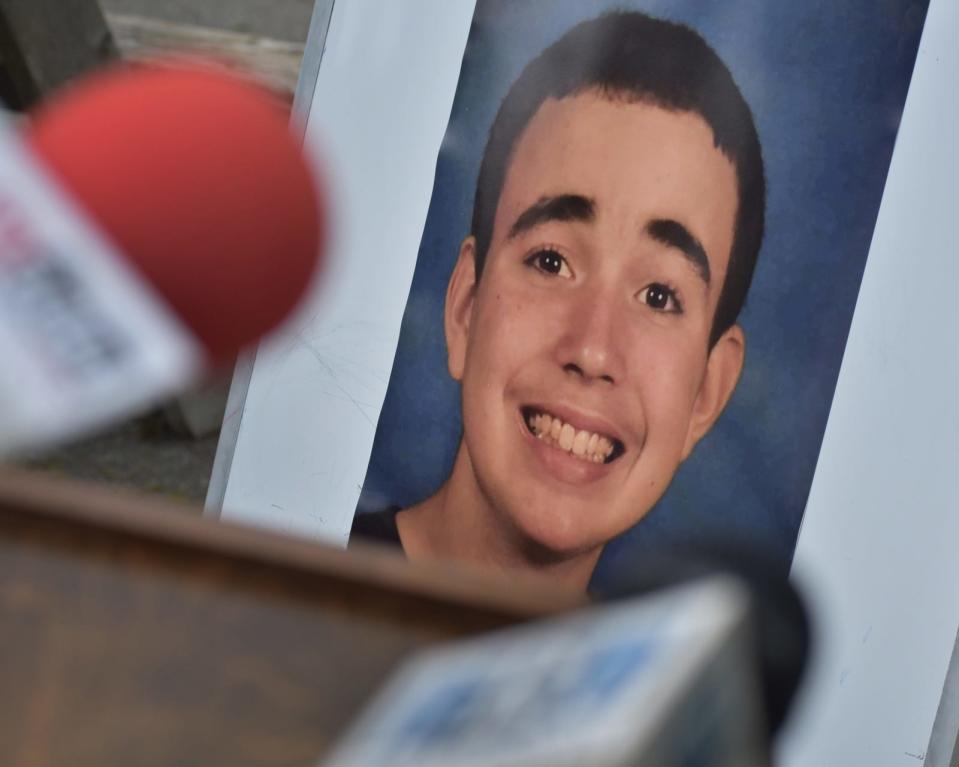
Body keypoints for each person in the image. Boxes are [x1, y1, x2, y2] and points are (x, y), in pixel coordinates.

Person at [352, 10, 765, 592]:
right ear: (465, 309)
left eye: (658, 295)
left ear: (706, 392)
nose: (593, 349)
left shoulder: (671, 684)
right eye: (551, 262)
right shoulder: (279, 596)